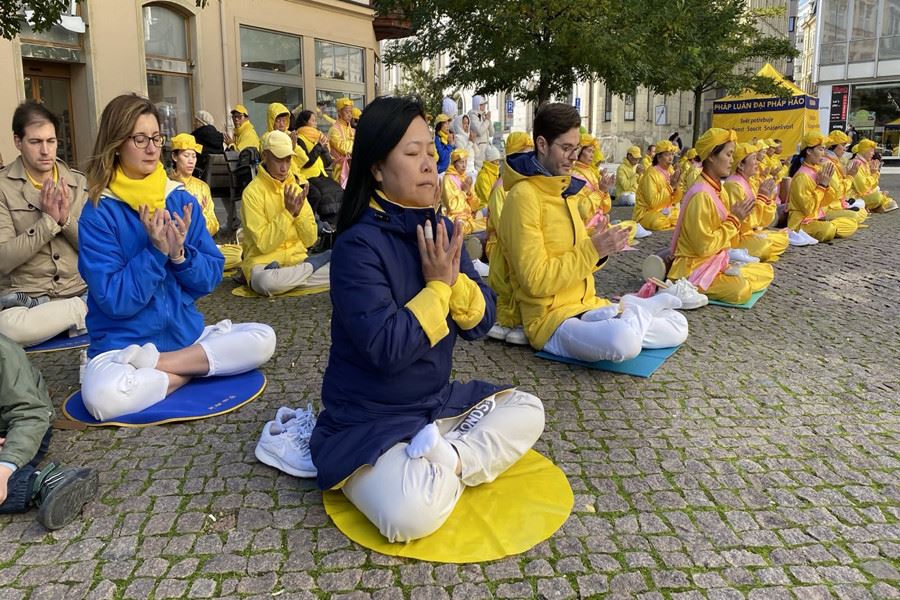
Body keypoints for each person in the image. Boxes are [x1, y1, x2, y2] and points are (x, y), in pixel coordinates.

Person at [309, 96, 545, 543]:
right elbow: (386, 348)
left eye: (430, 153)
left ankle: (451, 459)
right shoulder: (357, 247)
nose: (427, 165)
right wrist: (438, 287)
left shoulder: (441, 228)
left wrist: (455, 284)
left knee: (529, 409)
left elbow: (481, 323)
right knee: (409, 515)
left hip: (434, 409)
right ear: (377, 168)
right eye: (412, 153)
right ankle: (447, 462)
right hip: (368, 421)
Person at [78, 93, 276, 422]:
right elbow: (114, 301)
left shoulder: (178, 199)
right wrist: (156, 252)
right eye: (140, 139)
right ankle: (188, 371)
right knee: (103, 399)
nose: (152, 148)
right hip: (123, 348)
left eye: (156, 138)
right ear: (116, 144)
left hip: (185, 337)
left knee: (264, 338)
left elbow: (209, 279)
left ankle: (162, 367)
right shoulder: (99, 211)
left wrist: (180, 255)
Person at [499, 103, 688, 362]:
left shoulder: (563, 190)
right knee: (623, 342)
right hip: (552, 319)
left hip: (587, 305)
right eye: (566, 148)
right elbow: (536, 281)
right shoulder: (523, 197)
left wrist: (598, 247)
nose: (573, 157)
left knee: (679, 325)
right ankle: (637, 309)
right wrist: (594, 249)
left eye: (576, 149)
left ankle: (634, 312)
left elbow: (577, 257)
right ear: (542, 145)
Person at [0, 101, 89, 347]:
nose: (45, 150)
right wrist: (48, 223)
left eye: (51, 141)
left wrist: (66, 221)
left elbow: (95, 248)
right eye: (35, 142)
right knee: (8, 330)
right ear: (18, 142)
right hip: (26, 300)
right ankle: (82, 312)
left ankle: (73, 314)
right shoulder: (3, 188)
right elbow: (3, 260)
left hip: (77, 288)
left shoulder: (78, 183)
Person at [0, 334, 98, 529]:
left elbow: (30, 416)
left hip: (22, 430)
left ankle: (42, 483)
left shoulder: (5, 354)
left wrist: (3, 469)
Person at [666, 128, 774, 304]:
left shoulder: (719, 189)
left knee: (766, 271)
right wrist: (734, 221)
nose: (732, 160)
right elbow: (703, 247)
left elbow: (747, 225)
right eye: (729, 154)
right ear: (711, 156)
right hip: (694, 266)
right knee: (741, 290)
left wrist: (760, 203)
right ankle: (686, 286)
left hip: (716, 258)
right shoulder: (702, 195)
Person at [240, 130, 330, 296]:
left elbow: (310, 240)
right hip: (264, 264)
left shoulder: (296, 189)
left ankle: (298, 275)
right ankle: (312, 266)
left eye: (288, 160)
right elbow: (264, 244)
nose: (284, 167)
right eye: (278, 160)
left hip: (297, 261)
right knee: (266, 283)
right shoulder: (251, 193)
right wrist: (288, 214)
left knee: (344, 270)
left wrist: (298, 214)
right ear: (265, 156)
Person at [485, 132, 533, 346]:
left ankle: (525, 320)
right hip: (505, 245)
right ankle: (506, 319)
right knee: (505, 283)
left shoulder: (530, 185)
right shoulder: (500, 189)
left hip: (525, 244)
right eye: (523, 154)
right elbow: (501, 223)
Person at [169, 133, 243, 271]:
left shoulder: (202, 187)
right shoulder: (168, 186)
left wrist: (200, 217)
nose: (191, 161)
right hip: (176, 247)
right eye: (186, 156)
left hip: (201, 245)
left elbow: (214, 224)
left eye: (194, 156)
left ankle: (199, 265)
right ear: (175, 157)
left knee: (237, 254)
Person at [722, 142, 788, 263]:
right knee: (765, 247)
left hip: (751, 231)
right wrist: (762, 198)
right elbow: (744, 222)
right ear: (741, 165)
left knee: (782, 239)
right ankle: (732, 251)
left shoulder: (750, 182)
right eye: (753, 158)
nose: (757, 162)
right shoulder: (733, 185)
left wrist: (767, 199)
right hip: (736, 236)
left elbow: (764, 220)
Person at [788, 132, 859, 242]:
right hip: (802, 221)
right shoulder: (802, 176)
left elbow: (828, 200)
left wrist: (826, 185)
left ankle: (832, 227)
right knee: (828, 229)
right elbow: (808, 208)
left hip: (819, 215)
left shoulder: (817, 169)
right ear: (809, 151)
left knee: (852, 223)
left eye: (824, 149)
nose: (823, 153)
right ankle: (830, 227)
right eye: (821, 149)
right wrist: (822, 186)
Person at [293, 110, 343, 227]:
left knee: (338, 189)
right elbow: (306, 162)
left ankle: (335, 223)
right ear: (305, 122)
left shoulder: (318, 137)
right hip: (308, 176)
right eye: (313, 120)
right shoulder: (300, 139)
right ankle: (319, 223)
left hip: (321, 175)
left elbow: (327, 163)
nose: (316, 123)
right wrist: (318, 146)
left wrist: (324, 149)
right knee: (323, 193)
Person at [633, 139, 682, 230]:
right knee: (658, 222)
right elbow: (653, 203)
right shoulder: (651, 174)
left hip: (666, 209)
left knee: (681, 218)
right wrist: (670, 187)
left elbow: (676, 200)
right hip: (648, 211)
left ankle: (669, 219)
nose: (671, 158)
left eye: (672, 154)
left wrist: (676, 187)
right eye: (667, 155)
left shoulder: (671, 171)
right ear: (659, 157)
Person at [823, 130, 867, 224]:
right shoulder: (828, 163)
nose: (844, 149)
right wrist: (850, 177)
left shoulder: (836, 161)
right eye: (843, 145)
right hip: (829, 207)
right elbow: (838, 191)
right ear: (833, 145)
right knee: (856, 215)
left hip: (840, 202)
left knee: (862, 212)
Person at [441, 149, 486, 241]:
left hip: (469, 217)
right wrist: (464, 192)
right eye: (461, 162)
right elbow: (452, 207)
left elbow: (475, 206)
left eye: (465, 162)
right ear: (454, 163)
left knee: (489, 222)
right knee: (460, 227)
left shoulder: (464, 178)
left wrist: (469, 193)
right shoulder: (447, 179)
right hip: (455, 218)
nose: (464, 165)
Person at [850, 139, 898, 212]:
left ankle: (876, 206)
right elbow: (863, 188)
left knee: (882, 197)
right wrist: (873, 174)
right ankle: (876, 206)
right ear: (864, 151)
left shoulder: (864, 163)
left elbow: (872, 186)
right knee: (877, 197)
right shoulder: (857, 164)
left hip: (862, 194)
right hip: (854, 196)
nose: (873, 154)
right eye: (871, 151)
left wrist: (875, 173)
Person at [328, 98, 355, 189]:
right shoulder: (334, 130)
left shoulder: (350, 129)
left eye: (351, 112)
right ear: (339, 112)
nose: (350, 114)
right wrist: (354, 141)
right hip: (340, 169)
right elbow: (344, 148)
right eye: (347, 112)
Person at [190, 110, 224, 177]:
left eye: (196, 121)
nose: (194, 124)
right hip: (220, 178)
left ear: (201, 122)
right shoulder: (218, 139)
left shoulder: (195, 137)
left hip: (199, 176)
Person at [467, 95, 492, 169]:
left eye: (484, 104)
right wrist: (487, 120)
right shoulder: (472, 115)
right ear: (478, 105)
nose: (484, 106)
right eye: (482, 104)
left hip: (486, 147)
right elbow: (479, 131)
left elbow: (492, 133)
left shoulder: (483, 115)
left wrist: (488, 119)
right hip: (479, 148)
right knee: (479, 169)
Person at [473, 144, 501, 209]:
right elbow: (487, 197)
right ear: (490, 161)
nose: (498, 163)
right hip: (485, 208)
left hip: (494, 204)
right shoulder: (483, 176)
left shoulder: (495, 173)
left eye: (498, 160)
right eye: (496, 161)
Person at [450, 114, 477, 179]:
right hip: (465, 171)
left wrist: (474, 142)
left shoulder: (469, 136)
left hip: (472, 168)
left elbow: (477, 153)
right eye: (464, 123)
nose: (467, 125)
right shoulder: (458, 138)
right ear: (459, 124)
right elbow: (462, 155)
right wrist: (470, 142)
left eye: (468, 123)